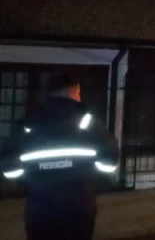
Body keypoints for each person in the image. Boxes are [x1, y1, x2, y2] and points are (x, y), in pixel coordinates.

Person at [0, 73, 120, 240]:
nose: (79, 97)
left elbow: (9, 168)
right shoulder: (88, 122)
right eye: (78, 93)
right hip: (78, 206)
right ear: (71, 92)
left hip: (40, 206)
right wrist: (85, 171)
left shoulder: (28, 122)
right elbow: (109, 163)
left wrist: (33, 176)